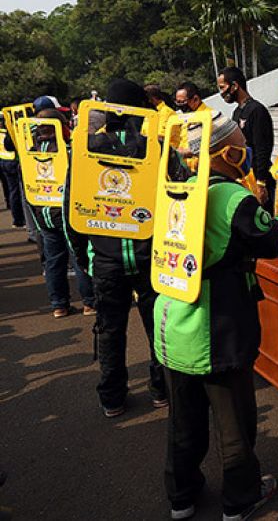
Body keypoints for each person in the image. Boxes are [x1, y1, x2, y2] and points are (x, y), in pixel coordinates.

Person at [154, 114, 278, 521]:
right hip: (216, 326)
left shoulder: (173, 187)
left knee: (183, 420)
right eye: (242, 146)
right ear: (225, 152)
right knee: (234, 424)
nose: (247, 153)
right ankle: (240, 500)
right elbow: (274, 240)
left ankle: (181, 497)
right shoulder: (231, 198)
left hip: (171, 321)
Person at [68, 78, 168, 417]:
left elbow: (73, 209)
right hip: (150, 256)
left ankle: (112, 398)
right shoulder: (155, 147)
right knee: (158, 327)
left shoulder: (85, 150)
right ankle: (161, 390)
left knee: (110, 330)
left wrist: (82, 256)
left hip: (106, 260)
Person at [24, 109, 96, 318]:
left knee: (53, 260)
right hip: (65, 212)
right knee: (77, 255)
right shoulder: (66, 149)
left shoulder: (31, 151)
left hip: (42, 212)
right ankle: (89, 303)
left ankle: (59, 305)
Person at [219, 66, 275, 204]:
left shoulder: (257, 110)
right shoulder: (237, 113)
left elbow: (263, 148)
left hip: (260, 177)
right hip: (246, 178)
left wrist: (261, 183)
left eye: (222, 87)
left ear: (234, 86)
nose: (221, 92)